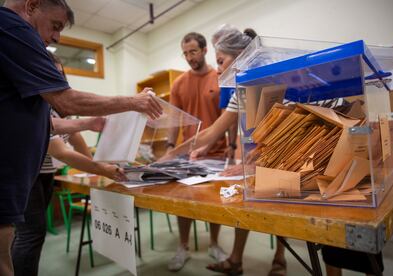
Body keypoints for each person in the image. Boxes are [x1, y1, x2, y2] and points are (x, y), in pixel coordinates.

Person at [0, 1, 161, 275]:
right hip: (8, 172)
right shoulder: (12, 28)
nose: (56, 38)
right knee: (15, 248)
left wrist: (89, 124)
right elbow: (65, 106)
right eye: (56, 26)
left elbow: (51, 123)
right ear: (32, 5)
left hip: (20, 174)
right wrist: (133, 102)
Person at [162, 27, 287, 276]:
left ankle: (280, 259)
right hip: (258, 155)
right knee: (244, 199)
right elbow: (210, 132)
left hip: (286, 155)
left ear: (242, 54)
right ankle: (235, 260)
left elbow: (284, 134)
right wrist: (170, 155)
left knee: (280, 202)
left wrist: (254, 162)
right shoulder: (239, 89)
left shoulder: (274, 77)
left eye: (221, 62)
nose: (219, 70)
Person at [11, 53, 126, 276]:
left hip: (43, 175)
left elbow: (75, 137)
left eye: (60, 75)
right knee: (30, 235)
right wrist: (102, 169)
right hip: (25, 176)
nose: (57, 79)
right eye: (52, 74)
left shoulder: (56, 108)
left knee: (30, 235)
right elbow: (62, 152)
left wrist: (97, 164)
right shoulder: (38, 106)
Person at [167, 32, 228, 272]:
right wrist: (171, 148)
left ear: (204, 50)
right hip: (186, 155)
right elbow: (173, 120)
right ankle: (183, 247)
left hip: (217, 152)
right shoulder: (179, 84)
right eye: (185, 53)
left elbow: (226, 118)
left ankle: (214, 244)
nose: (189, 57)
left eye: (193, 51)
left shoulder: (220, 77)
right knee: (183, 203)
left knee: (214, 204)